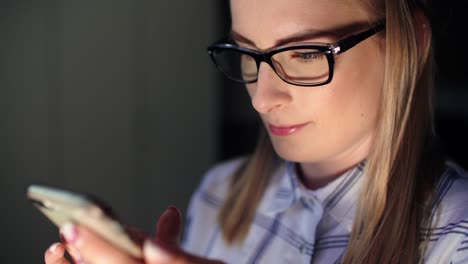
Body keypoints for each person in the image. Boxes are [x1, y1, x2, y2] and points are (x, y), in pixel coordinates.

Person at [44, 0, 468, 263]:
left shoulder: (456, 236)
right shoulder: (219, 194)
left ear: (408, 39)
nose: (261, 99)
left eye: (304, 53)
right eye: (247, 53)